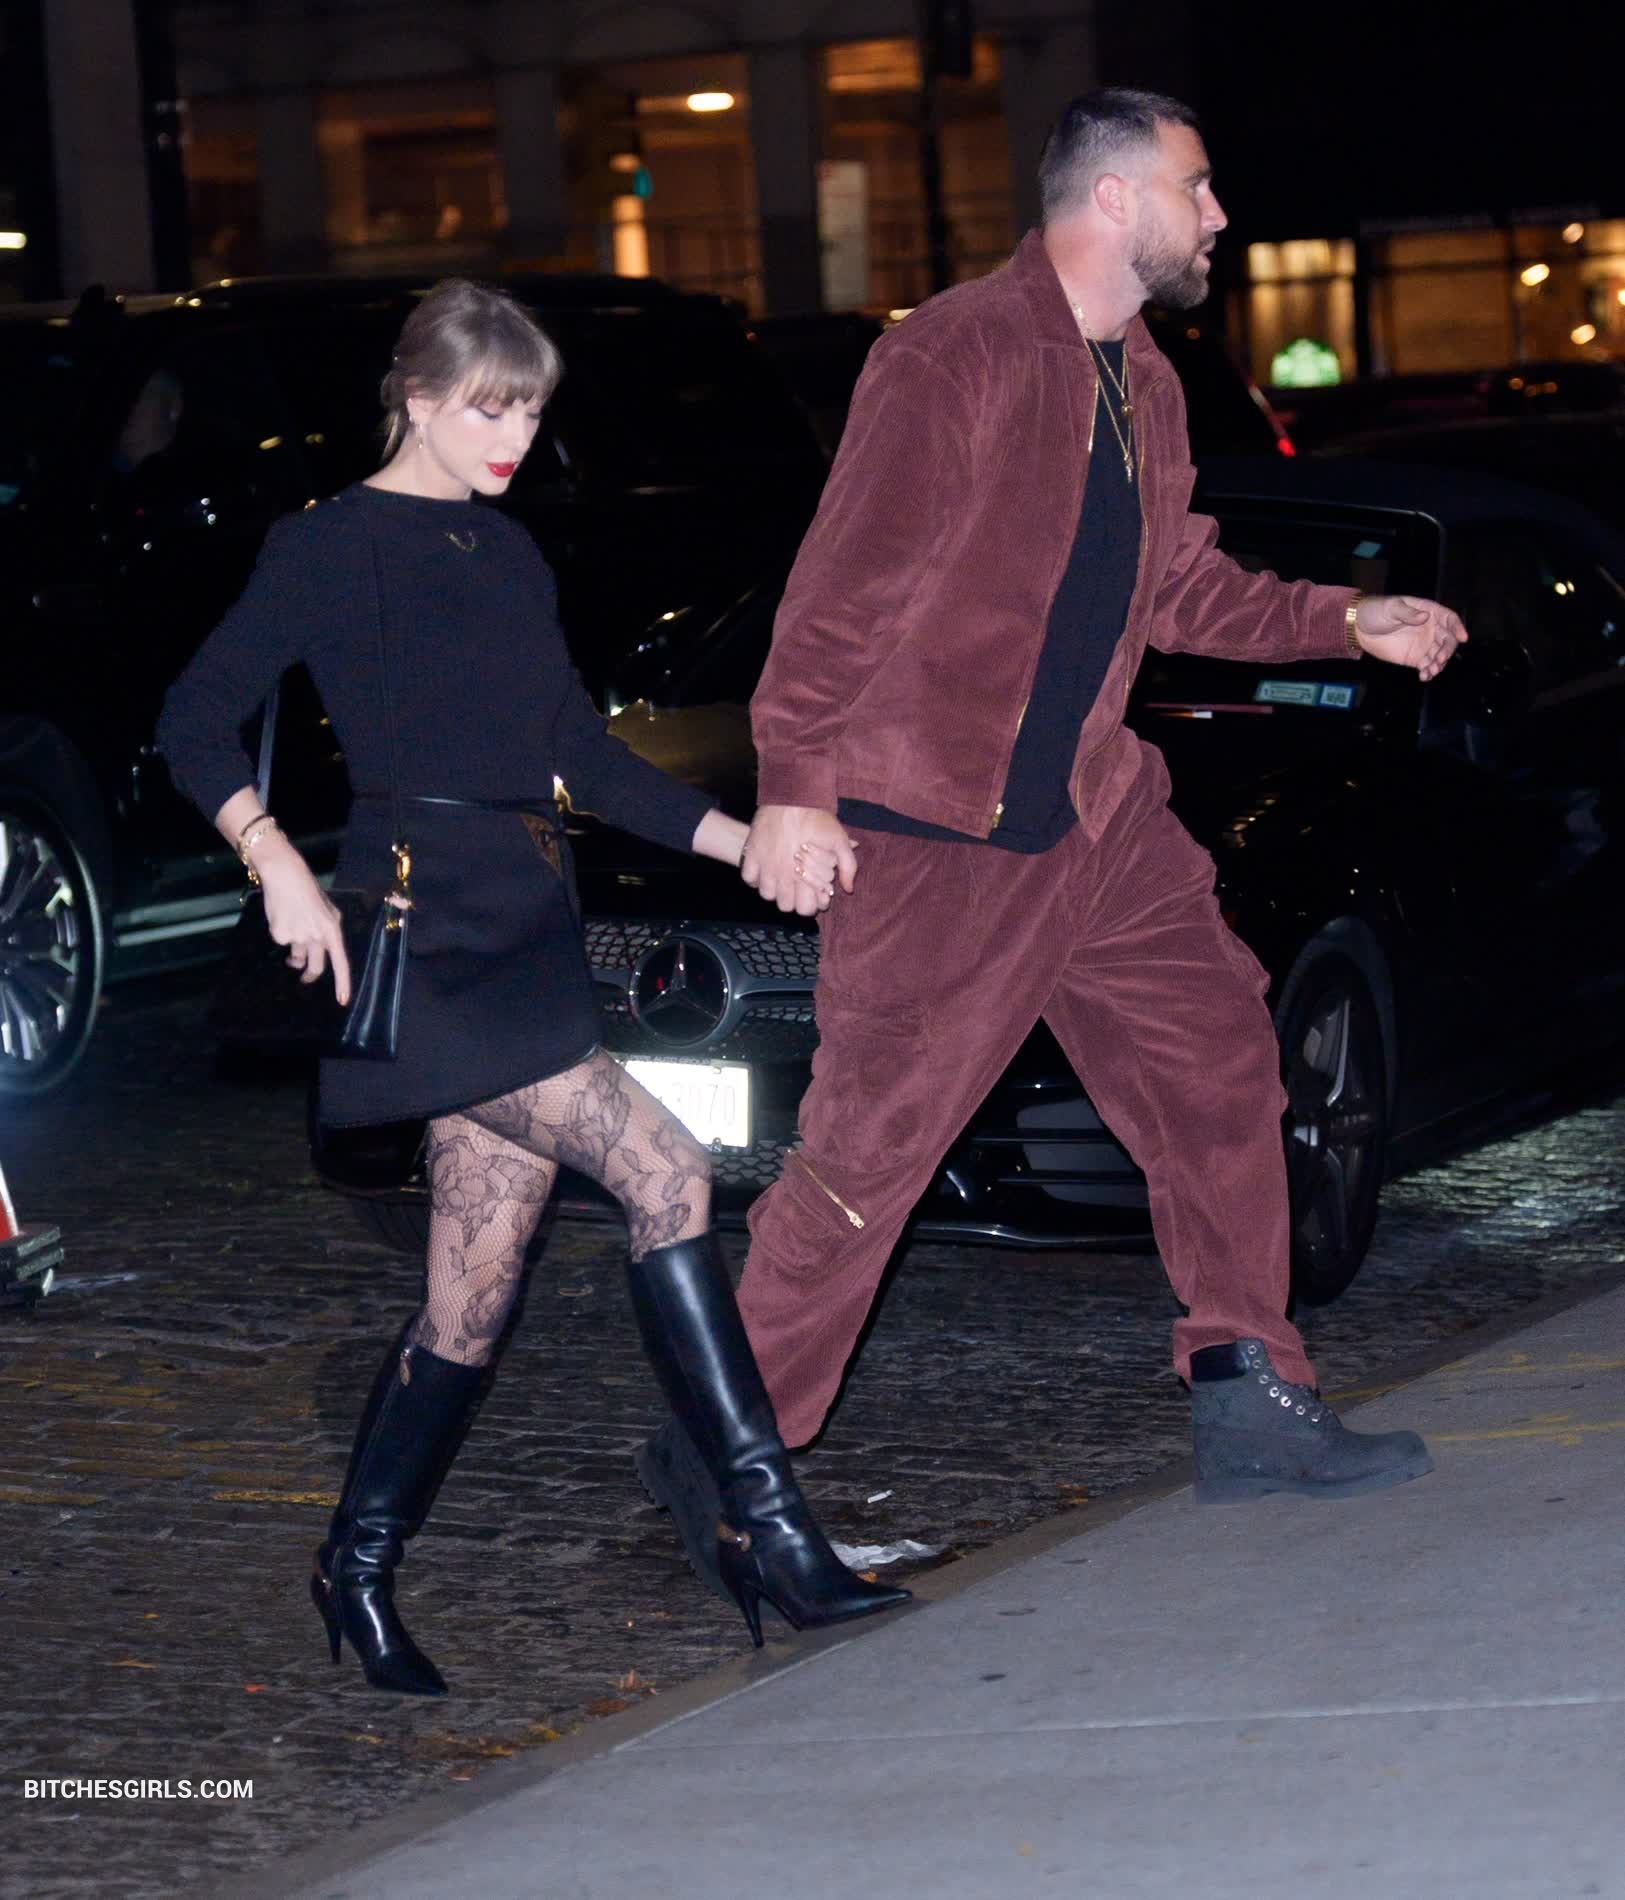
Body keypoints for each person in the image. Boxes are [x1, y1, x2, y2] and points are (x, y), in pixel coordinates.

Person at [638, 89, 1468, 1581]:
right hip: (938, 835)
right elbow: (841, 592)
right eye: (1197, 186)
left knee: (1220, 1066)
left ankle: (1247, 1391)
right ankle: (725, 1454)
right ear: (1113, 198)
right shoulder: (951, 355)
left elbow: (1176, 586)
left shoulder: (1142, 377)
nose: (1219, 215)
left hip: (1096, 818)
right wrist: (797, 787)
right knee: (871, 1152)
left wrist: (1346, 619)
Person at [157, 279, 906, 1697]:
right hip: (424, 929)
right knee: (668, 1170)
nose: (515, 437)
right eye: (490, 409)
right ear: (418, 399)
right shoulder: (328, 545)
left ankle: (355, 1569)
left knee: (472, 1295)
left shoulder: (505, 551)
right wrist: (275, 860)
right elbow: (193, 716)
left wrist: (743, 839)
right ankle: (768, 1528)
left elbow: (583, 753)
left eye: (533, 411)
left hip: (527, 926)